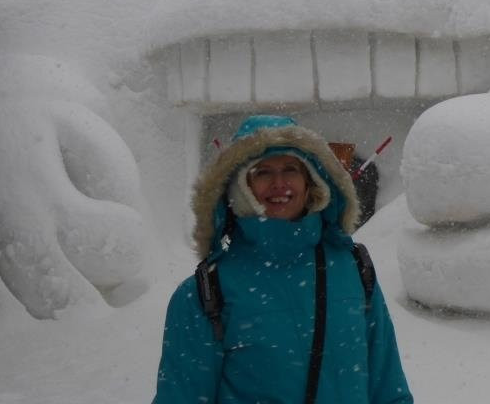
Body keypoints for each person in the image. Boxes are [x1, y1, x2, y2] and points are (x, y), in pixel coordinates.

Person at [152, 114, 414, 404]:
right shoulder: (206, 293)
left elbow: (389, 390)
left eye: (291, 169)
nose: (279, 183)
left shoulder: (353, 269)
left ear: (311, 181)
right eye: (262, 172)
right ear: (241, 186)